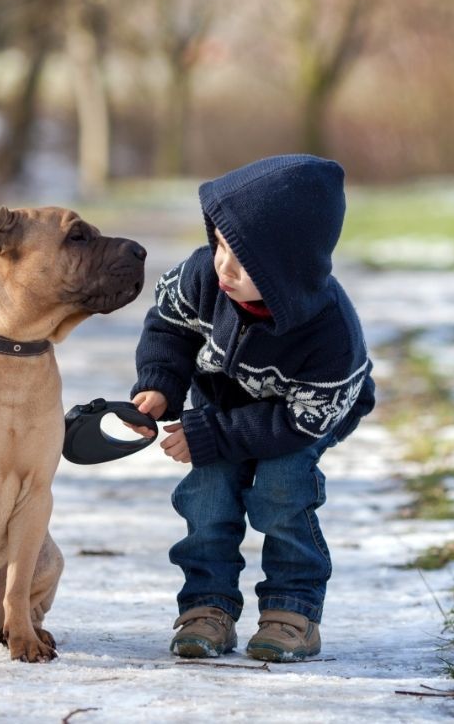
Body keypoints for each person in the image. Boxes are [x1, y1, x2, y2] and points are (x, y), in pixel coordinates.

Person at [130, 154, 375, 662]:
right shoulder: (202, 277)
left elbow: (300, 420)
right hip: (225, 401)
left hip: (305, 414)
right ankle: (207, 607)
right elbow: (168, 327)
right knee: (208, 494)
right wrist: (160, 383)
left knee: (283, 490)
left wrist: (212, 434)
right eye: (218, 243)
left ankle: (293, 611)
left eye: (245, 259)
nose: (223, 264)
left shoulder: (330, 334)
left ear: (290, 269)